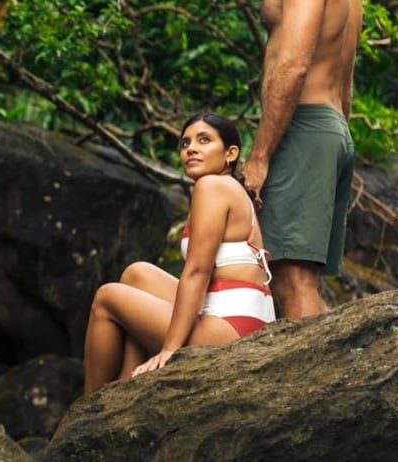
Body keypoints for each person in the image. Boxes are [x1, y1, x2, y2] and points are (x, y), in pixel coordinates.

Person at [82, 114, 274, 392]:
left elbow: (197, 271)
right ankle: (126, 386)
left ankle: (89, 406)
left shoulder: (213, 186)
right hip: (246, 318)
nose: (191, 148)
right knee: (137, 275)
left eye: (204, 140)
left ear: (230, 153)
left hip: (231, 328)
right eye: (186, 143)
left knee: (106, 298)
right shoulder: (228, 188)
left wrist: (170, 348)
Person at [243, 0, 363, 320]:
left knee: (293, 280)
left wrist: (259, 157)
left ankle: (318, 357)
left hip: (304, 127)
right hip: (331, 128)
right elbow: (346, 90)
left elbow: (294, 66)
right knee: (302, 279)